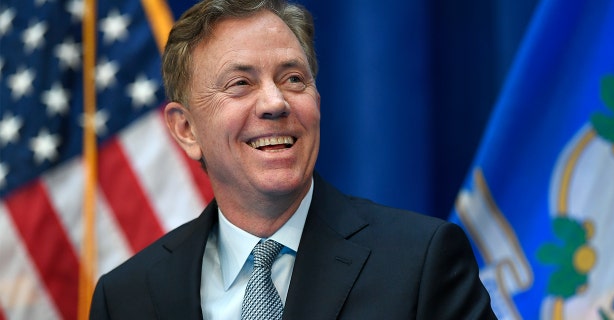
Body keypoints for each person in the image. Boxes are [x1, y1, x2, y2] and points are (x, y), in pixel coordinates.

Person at [89, 0, 497, 319]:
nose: (275, 102)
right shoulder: (126, 297)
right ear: (186, 130)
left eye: (293, 79)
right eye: (240, 83)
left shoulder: (419, 262)